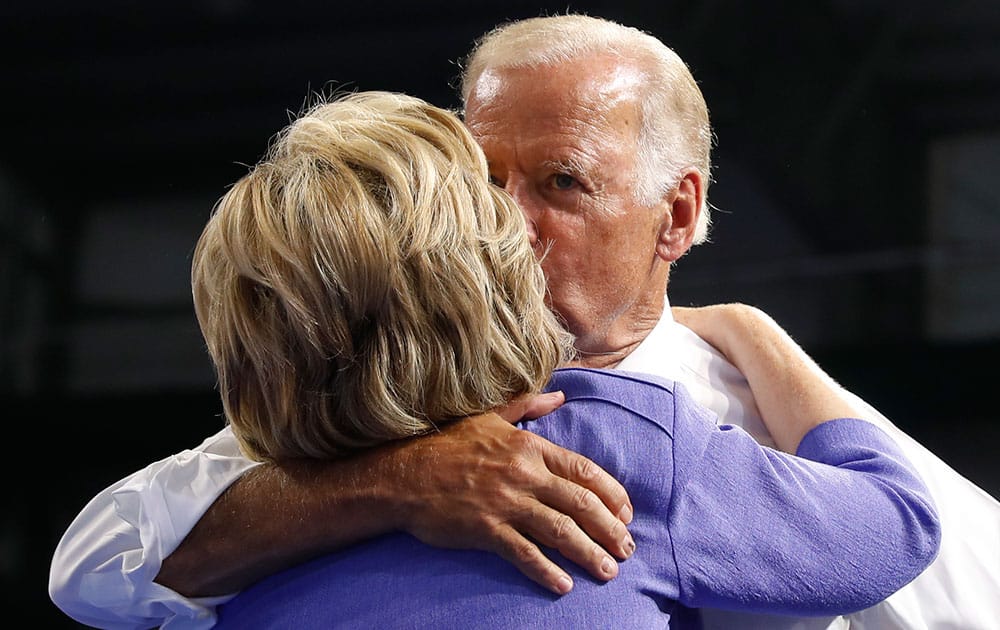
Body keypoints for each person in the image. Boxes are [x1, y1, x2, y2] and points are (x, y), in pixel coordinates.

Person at [48, 13, 999, 630]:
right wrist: (394, 483)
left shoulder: (764, 430)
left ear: (675, 215)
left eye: (560, 184)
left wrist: (751, 334)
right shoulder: (367, 408)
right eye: (481, 181)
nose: (501, 220)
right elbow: (93, 569)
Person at [187, 90, 937, 628]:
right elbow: (898, 523)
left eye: (559, 182)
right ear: (469, 271)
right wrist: (755, 333)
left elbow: (93, 563)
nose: (517, 219)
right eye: (489, 192)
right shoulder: (615, 438)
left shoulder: (221, 541)